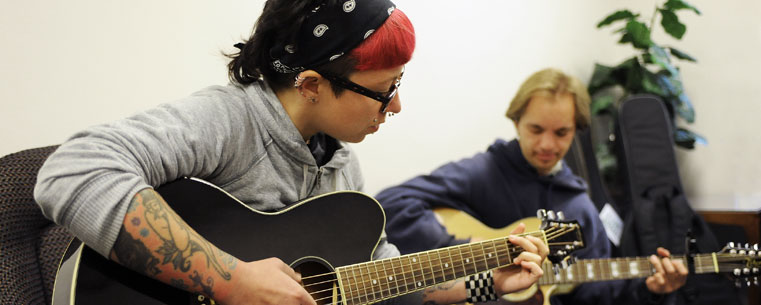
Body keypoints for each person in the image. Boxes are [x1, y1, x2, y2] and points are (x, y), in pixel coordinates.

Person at [33, 1, 549, 304]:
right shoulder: (228, 120)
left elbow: (377, 277)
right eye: (382, 90)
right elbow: (73, 171)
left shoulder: (342, 166)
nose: (396, 106)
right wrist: (230, 281)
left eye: (399, 83)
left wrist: (488, 283)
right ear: (310, 84)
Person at [376, 68, 689, 305]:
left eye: (561, 132)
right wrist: (471, 249)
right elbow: (390, 203)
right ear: (516, 122)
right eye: (536, 129)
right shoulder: (484, 172)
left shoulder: (579, 206)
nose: (546, 144)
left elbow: (595, 291)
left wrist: (650, 288)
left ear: (576, 131)